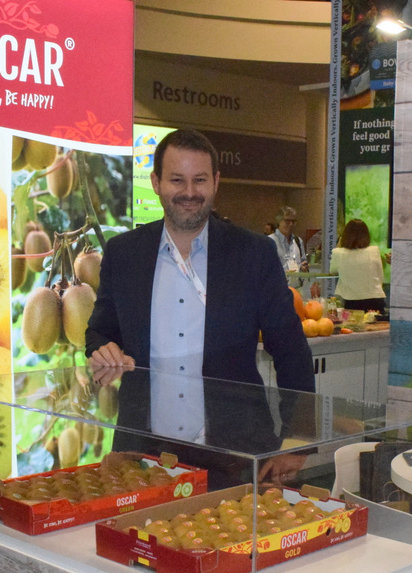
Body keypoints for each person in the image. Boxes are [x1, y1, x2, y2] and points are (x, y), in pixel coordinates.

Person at [84, 128, 314, 484]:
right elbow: (99, 331)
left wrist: (298, 439)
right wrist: (101, 348)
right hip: (144, 460)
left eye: (200, 180)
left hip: (235, 459)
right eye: (177, 179)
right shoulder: (124, 253)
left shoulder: (253, 254)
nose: (189, 192)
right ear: (156, 182)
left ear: (216, 182)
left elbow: (291, 349)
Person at [330, 218, 387, 313]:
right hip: (375, 300)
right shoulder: (374, 251)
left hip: (351, 301)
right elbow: (380, 276)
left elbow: (332, 270)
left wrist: (339, 245)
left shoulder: (338, 253)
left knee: (352, 322)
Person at [269, 206, 308, 273]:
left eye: (293, 221)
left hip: (296, 280)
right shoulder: (270, 241)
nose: (291, 224)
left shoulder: (298, 241)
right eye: (287, 221)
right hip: (279, 280)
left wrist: (303, 267)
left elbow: (303, 263)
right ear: (279, 221)